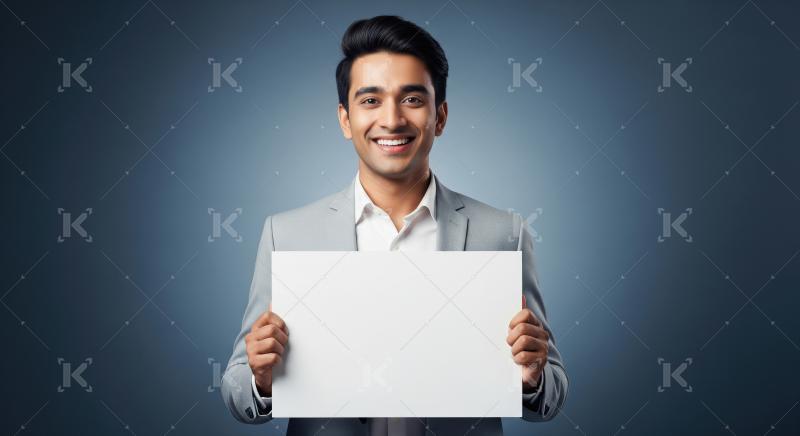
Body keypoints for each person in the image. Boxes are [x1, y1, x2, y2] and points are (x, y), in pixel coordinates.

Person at [221, 15, 568, 436]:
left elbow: (549, 396)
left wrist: (532, 374)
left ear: (439, 117)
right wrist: (260, 378)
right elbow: (237, 391)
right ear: (345, 120)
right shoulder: (287, 234)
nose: (392, 120)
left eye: (412, 99)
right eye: (370, 100)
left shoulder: (504, 232)